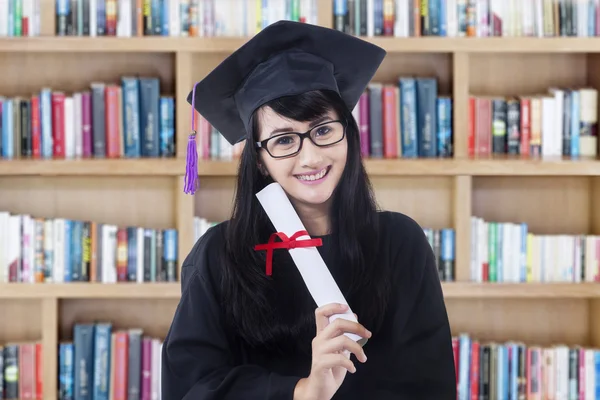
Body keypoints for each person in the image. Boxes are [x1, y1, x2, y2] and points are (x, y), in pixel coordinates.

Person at [161, 20, 456, 400]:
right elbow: (191, 389)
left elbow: (429, 386)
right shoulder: (220, 256)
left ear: (347, 132)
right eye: (284, 139)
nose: (311, 157)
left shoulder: (399, 244)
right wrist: (302, 392)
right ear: (260, 158)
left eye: (322, 130)